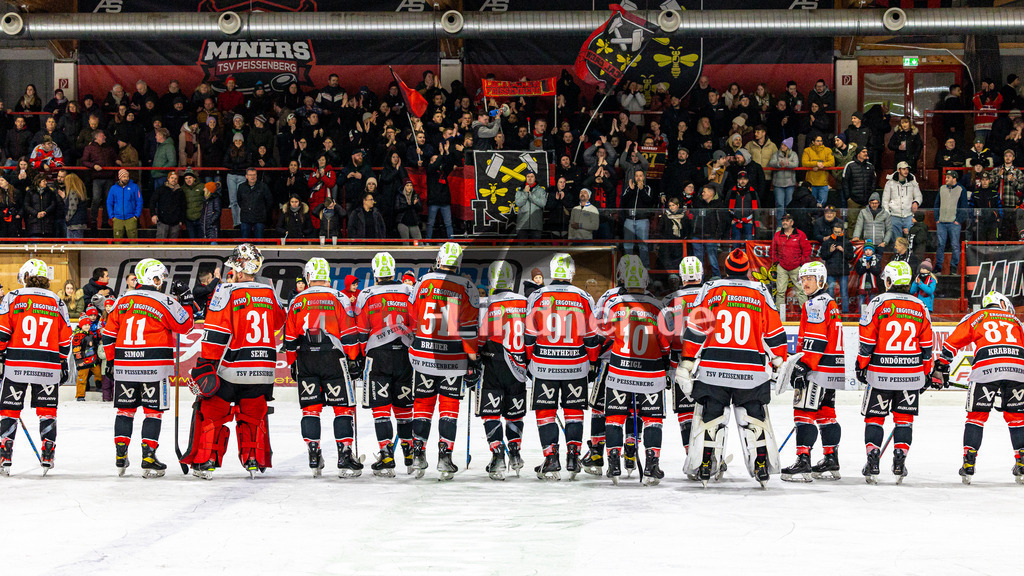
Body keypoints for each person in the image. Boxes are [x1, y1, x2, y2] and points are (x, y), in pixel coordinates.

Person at [677, 249, 787, 487]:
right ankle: (760, 463)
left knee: (711, 416)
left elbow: (696, 328)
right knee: (754, 416)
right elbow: (774, 331)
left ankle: (706, 463)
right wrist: (779, 360)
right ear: (747, 270)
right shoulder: (760, 291)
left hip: (713, 368)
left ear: (726, 269)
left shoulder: (711, 289)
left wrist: (687, 361)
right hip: (751, 370)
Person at [181, 244, 286, 479]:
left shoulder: (226, 291)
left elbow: (216, 332)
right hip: (263, 369)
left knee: (212, 412)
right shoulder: (269, 292)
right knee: (253, 414)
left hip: (230, 368)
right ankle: (253, 458)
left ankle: (206, 460)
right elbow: (280, 321)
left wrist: (206, 363)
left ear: (238, 270)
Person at [101, 259, 195, 477]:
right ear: (153, 278)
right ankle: (149, 458)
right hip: (155, 367)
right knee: (153, 413)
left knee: (125, 411)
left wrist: (112, 361)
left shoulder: (122, 300)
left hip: (125, 365)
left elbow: (108, 334)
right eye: (160, 277)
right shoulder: (164, 301)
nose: (162, 281)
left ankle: (121, 455)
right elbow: (186, 326)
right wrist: (187, 301)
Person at [592, 256, 671, 485]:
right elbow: (665, 343)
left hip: (619, 371)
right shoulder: (657, 306)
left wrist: (594, 359)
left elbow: (603, 335)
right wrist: (666, 362)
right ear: (646, 281)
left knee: (614, 418)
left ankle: (613, 464)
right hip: (651, 373)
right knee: (652, 420)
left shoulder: (613, 304)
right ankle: (651, 465)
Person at [406, 243, 480, 481]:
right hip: (453, 358)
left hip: (423, 356)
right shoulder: (467, 287)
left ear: (439, 260)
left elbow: (411, 317)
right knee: (449, 406)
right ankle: (445, 457)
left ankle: (418, 454)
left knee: (422, 404)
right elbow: (469, 329)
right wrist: (473, 361)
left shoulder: (422, 282)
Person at [283, 257, 361, 478]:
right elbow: (349, 332)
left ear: (308, 276)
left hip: (306, 358)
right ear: (327, 275)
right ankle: (344, 455)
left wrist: (292, 362)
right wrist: (354, 359)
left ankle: (314, 453)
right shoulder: (339, 297)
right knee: (343, 408)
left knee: (310, 409)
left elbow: (289, 337)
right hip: (333, 358)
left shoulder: (297, 300)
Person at [857, 261, 933, 485]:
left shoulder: (878, 302)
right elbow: (927, 346)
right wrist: (925, 373)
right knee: (904, 420)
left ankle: (873, 459)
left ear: (889, 280)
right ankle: (900, 460)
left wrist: (861, 365)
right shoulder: (920, 305)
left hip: (881, 373)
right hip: (910, 374)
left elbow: (867, 341)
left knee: (875, 418)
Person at [937, 290, 1024, 483]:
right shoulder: (1015, 321)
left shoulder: (977, 316)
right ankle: (1022, 460)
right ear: (1002, 304)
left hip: (986, 368)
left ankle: (969, 463)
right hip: (1017, 369)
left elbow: (951, 344)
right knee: (1017, 418)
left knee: (976, 417)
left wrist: (942, 365)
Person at [526, 253, 599, 481]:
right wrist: (593, 361)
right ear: (572, 272)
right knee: (574, 411)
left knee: (546, 413)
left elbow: (529, 335)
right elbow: (592, 336)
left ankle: (551, 459)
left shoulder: (537, 296)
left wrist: (528, 360)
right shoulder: (584, 297)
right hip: (575, 365)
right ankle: (573, 457)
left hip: (544, 365)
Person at [0, 259, 73, 475]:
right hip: (48, 364)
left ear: (26, 276)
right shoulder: (57, 301)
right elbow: (65, 338)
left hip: (17, 363)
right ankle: (48, 452)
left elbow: (2, 331)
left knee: (9, 410)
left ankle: (5, 453)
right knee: (47, 411)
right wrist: (62, 361)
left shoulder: (12, 297)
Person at [351, 253, 416, 476]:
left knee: (381, 408)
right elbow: (416, 323)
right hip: (405, 354)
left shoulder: (366, 294)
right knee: (404, 408)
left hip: (377, 356)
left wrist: (359, 357)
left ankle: (387, 456)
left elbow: (361, 330)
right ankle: (410, 455)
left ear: (375, 272)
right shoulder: (409, 290)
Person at [476, 261, 529, 480]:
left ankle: (497, 455)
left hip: (493, 363)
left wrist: (473, 359)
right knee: (514, 412)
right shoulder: (525, 301)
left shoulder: (487, 302)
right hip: (518, 364)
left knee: (491, 412)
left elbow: (480, 336)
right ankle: (515, 453)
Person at [770, 214, 812, 321]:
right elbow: (772, 250)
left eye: (787, 220)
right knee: (780, 291)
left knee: (801, 290)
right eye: (783, 220)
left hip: (796, 267)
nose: (784, 222)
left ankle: (805, 314)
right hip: (782, 267)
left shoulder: (800, 234)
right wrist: (777, 262)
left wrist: (801, 263)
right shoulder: (777, 235)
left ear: (792, 223)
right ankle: (779, 315)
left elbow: (807, 250)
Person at [934, 171, 969, 275]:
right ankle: (938, 267)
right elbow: (937, 204)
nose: (946, 179)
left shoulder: (961, 189)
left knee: (955, 245)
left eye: (948, 177)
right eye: (946, 177)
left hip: (954, 223)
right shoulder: (942, 188)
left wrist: (958, 220)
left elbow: (964, 207)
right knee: (940, 245)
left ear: (954, 178)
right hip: (941, 222)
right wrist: (937, 218)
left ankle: (953, 268)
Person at [621, 168, 657, 267]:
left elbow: (649, 202)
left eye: (640, 176)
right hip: (629, 220)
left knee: (643, 245)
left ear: (644, 177)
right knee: (628, 245)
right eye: (637, 176)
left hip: (642, 220)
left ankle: (645, 266)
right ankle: (627, 266)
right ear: (634, 177)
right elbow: (623, 201)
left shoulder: (647, 188)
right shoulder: (629, 188)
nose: (638, 177)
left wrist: (641, 190)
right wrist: (631, 190)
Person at [882, 161, 922, 242]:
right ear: (898, 170)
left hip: (909, 215)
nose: (906, 171)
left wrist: (916, 202)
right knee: (896, 241)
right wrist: (887, 214)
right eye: (903, 169)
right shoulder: (890, 183)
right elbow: (885, 200)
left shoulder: (912, 182)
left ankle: (909, 250)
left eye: (907, 169)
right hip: (894, 216)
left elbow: (918, 196)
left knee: (910, 240)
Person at [821, 221, 854, 314]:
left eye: (839, 232)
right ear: (833, 231)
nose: (837, 234)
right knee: (830, 292)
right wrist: (830, 251)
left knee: (844, 292)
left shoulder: (847, 242)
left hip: (843, 271)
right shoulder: (827, 242)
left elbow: (851, 256)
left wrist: (843, 250)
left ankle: (845, 313)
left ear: (842, 231)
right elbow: (823, 256)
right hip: (831, 270)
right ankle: (829, 311)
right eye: (835, 232)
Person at [768, 137, 798, 225]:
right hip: (778, 184)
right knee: (780, 204)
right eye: (781, 144)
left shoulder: (794, 154)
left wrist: (787, 164)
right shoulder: (776, 154)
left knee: (789, 204)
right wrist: (778, 164)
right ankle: (780, 224)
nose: (782, 146)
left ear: (788, 147)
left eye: (784, 145)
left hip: (790, 183)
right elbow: (771, 163)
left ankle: (788, 223)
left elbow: (795, 164)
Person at [236, 168, 273, 239]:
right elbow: (239, 201)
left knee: (259, 241)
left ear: (256, 176)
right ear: (246, 176)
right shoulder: (241, 187)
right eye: (250, 175)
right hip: (246, 218)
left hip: (259, 218)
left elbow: (269, 201)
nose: (252, 177)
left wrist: (262, 211)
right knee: (245, 242)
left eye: (254, 175)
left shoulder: (263, 186)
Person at [107, 169, 142, 239]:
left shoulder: (134, 187)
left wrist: (136, 215)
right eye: (124, 177)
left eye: (127, 176)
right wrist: (112, 216)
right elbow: (109, 202)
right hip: (117, 218)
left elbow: (139, 201)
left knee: (133, 241)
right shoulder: (113, 188)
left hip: (131, 218)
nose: (126, 178)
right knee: (117, 241)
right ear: (119, 177)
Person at [801, 134, 835, 206]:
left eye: (821, 141)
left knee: (823, 202)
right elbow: (804, 163)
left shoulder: (827, 150)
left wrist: (820, 166)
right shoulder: (807, 150)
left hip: (823, 182)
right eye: (818, 141)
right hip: (811, 182)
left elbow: (832, 162)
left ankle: (820, 213)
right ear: (813, 142)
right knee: (811, 203)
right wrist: (816, 163)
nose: (820, 143)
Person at [151, 171, 186, 239]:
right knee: (160, 242)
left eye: (175, 178)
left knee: (173, 244)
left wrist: (182, 220)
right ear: (168, 179)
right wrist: (153, 214)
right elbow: (152, 201)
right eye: (172, 178)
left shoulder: (180, 191)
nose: (173, 180)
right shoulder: (161, 189)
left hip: (175, 222)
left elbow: (183, 206)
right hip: (163, 221)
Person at [514, 171, 547, 240]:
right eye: (528, 176)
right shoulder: (520, 190)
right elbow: (518, 203)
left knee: (536, 245)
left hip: (536, 225)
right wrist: (525, 193)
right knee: (521, 245)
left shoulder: (541, 190)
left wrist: (531, 196)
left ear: (535, 178)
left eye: (532, 176)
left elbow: (543, 203)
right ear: (526, 178)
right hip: (522, 225)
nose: (530, 178)